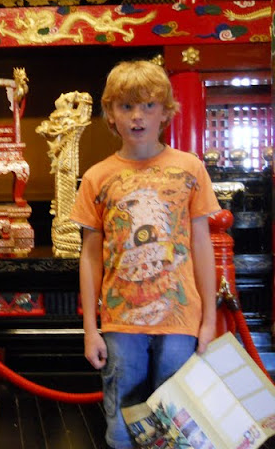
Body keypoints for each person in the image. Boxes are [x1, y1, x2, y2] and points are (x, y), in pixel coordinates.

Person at [69, 60, 220, 449]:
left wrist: (209, 319)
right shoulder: (97, 177)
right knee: (122, 423)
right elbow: (90, 256)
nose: (137, 116)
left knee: (180, 425)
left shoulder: (190, 169)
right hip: (121, 319)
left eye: (148, 105)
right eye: (126, 106)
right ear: (111, 114)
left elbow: (202, 245)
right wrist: (90, 329)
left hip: (181, 316)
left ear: (165, 112)